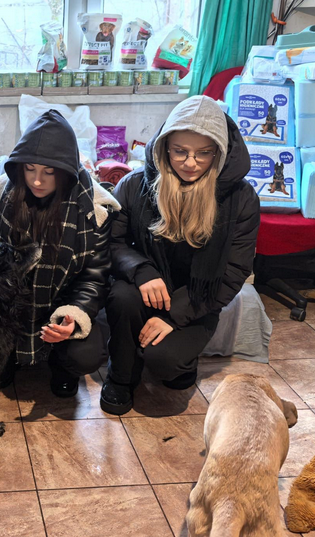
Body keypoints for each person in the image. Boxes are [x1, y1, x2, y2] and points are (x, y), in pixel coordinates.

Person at [102, 95, 260, 415]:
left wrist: (174, 315)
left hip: (198, 298)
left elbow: (234, 271)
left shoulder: (241, 199)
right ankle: (121, 376)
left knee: (165, 361)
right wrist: (140, 270)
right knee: (121, 296)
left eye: (203, 153)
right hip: (143, 288)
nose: (190, 163)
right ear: (164, 148)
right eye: (180, 151)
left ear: (220, 151)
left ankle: (180, 362)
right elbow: (111, 243)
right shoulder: (134, 185)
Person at [0, 110, 120, 397]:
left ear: (66, 170)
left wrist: (73, 316)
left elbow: (95, 276)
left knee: (85, 354)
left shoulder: (95, 210)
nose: (37, 181)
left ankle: (61, 366)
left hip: (60, 302)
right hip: (9, 305)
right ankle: (8, 356)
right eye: (30, 169)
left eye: (49, 172)